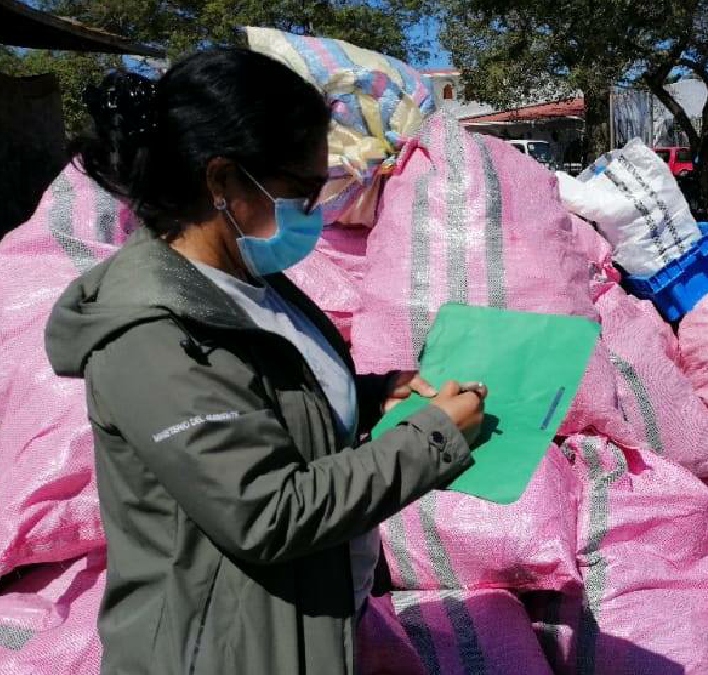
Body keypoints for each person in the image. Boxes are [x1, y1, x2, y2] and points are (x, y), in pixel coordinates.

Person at [43, 48, 487, 675]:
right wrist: (430, 439)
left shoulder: (251, 282)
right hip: (222, 653)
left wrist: (370, 396)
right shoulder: (153, 336)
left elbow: (261, 407)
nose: (314, 211)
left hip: (301, 627)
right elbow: (266, 512)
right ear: (223, 181)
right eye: (301, 192)